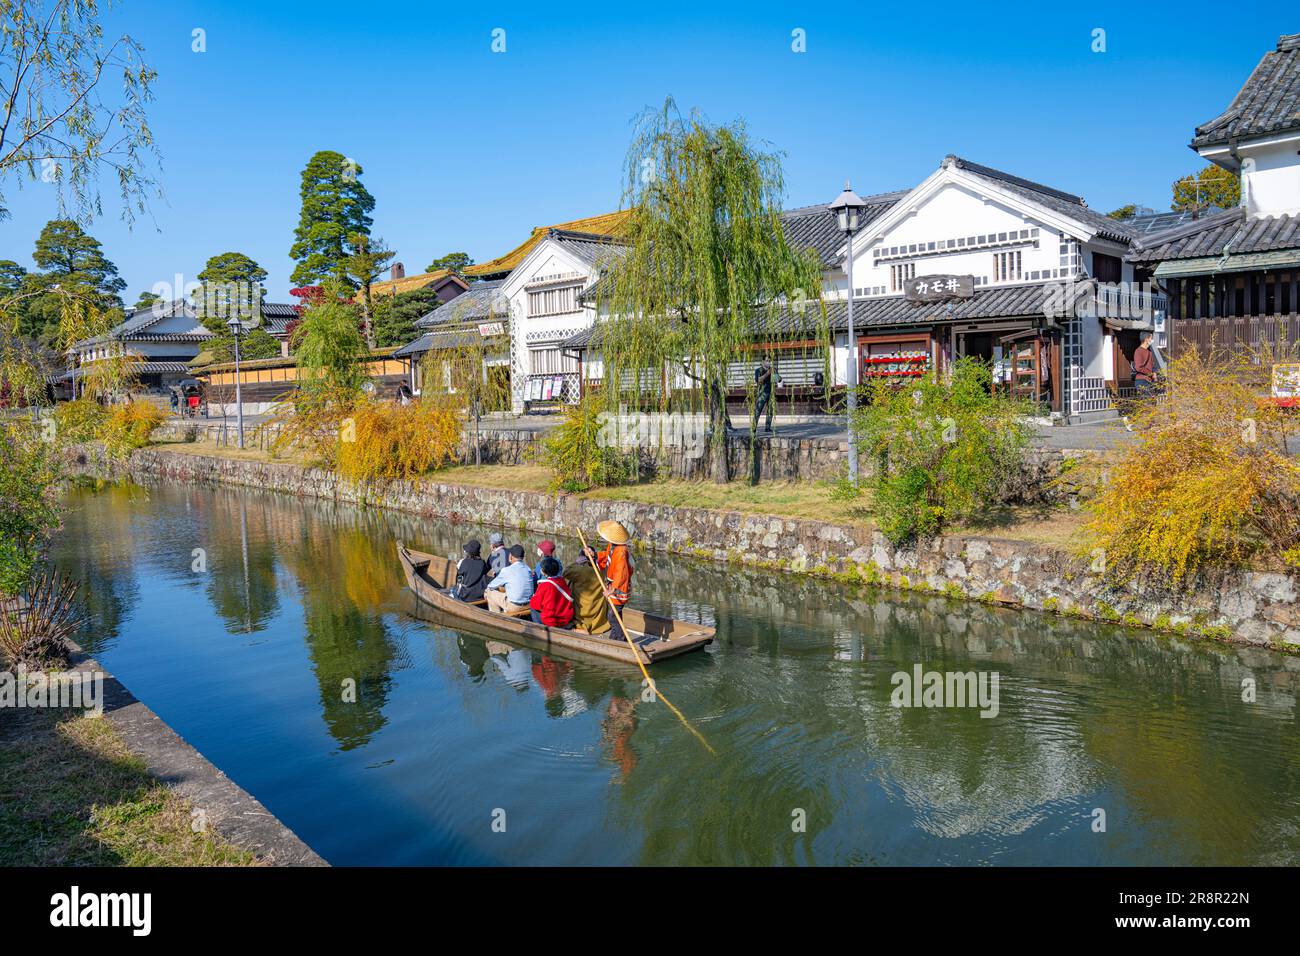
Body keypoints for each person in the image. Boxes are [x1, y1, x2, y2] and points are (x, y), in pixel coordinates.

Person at [583, 520, 633, 642]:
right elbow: (606, 556)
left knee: (613, 615)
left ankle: (621, 639)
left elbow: (621, 573)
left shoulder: (622, 551)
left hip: (619, 588)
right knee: (614, 613)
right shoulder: (613, 545)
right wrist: (593, 554)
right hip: (613, 585)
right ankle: (614, 637)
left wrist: (613, 589)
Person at [566, 555, 612, 634]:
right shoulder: (603, 569)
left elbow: (565, 572)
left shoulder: (579, 570)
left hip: (582, 610)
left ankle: (579, 629)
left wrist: (576, 563)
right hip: (597, 610)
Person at [485, 544, 534, 615]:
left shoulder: (507, 570)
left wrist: (486, 591)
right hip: (529, 604)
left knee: (489, 592)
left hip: (514, 607)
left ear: (510, 556)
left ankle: (496, 617)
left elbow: (491, 586)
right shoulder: (528, 569)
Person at [529, 557, 575, 628]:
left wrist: (532, 598)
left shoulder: (544, 585)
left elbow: (535, 604)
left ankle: (539, 628)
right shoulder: (562, 581)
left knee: (532, 606)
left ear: (543, 571)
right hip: (565, 618)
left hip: (552, 621)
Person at [752, 357, 781, 434]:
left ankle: (767, 427)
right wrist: (767, 373)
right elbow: (758, 380)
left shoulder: (773, 370)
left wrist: (776, 375)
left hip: (771, 393)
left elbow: (778, 380)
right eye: (767, 361)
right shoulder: (758, 370)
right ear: (763, 361)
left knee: (770, 411)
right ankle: (753, 428)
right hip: (762, 393)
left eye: (770, 361)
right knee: (758, 410)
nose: (769, 362)